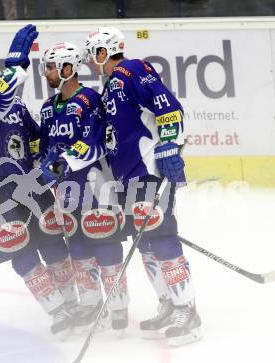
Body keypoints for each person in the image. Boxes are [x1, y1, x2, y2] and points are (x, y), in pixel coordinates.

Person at [0, 25, 78, 339]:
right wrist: (15, 65)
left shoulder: (16, 106)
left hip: (31, 185)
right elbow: (5, 89)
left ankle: (75, 304)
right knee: (21, 251)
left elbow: (34, 140)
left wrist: (52, 159)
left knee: (52, 242)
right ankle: (56, 309)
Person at [83, 27, 202, 346]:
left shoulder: (132, 69)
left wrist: (169, 147)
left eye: (93, 54)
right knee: (146, 244)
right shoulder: (110, 88)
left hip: (149, 171)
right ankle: (168, 302)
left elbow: (168, 105)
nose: (92, 63)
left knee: (161, 238)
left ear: (104, 51)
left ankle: (188, 311)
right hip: (129, 178)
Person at [38, 42, 130, 334]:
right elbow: (44, 148)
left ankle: (118, 305)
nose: (47, 73)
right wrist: (45, 165)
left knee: (104, 242)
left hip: (95, 185)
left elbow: (97, 141)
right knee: (77, 245)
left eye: (51, 67)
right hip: (65, 191)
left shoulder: (91, 99)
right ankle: (91, 305)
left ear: (68, 69)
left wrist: (63, 161)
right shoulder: (47, 108)